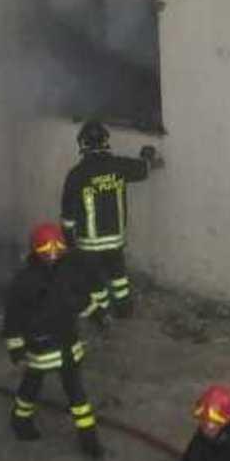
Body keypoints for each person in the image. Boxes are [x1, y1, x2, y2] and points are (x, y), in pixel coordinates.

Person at [2, 221, 103, 457]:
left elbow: (79, 298)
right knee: (31, 386)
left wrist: (96, 312)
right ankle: (20, 421)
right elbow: (13, 317)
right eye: (47, 249)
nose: (53, 253)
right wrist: (16, 347)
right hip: (41, 347)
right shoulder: (25, 282)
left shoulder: (68, 271)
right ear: (36, 250)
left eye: (58, 247)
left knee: (77, 395)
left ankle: (89, 440)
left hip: (67, 344)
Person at [60, 119, 159, 320]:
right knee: (118, 275)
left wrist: (70, 242)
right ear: (106, 141)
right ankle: (124, 308)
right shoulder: (119, 166)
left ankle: (102, 314)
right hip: (115, 240)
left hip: (89, 244)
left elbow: (68, 214)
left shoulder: (76, 175)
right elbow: (144, 168)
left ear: (82, 144)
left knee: (95, 281)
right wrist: (148, 156)